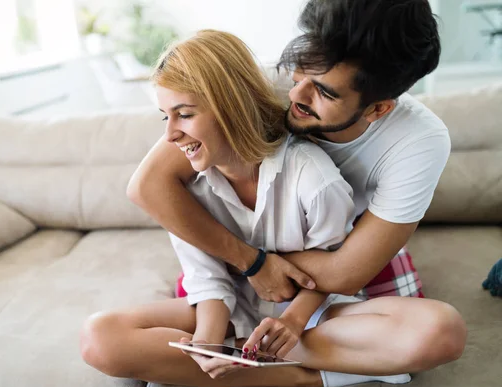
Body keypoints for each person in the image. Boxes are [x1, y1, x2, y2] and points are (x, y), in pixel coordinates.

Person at [80, 29, 462, 387]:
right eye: (167, 116)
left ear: (230, 107)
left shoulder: (314, 178)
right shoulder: (187, 186)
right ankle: (303, 372)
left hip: (311, 315)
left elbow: (336, 270)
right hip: (236, 304)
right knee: (99, 339)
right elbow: (207, 276)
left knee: (440, 331)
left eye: (185, 114)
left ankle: (277, 362)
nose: (169, 136)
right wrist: (207, 340)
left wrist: (292, 322)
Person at [129, 0, 463, 309]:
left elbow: (347, 273)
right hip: (247, 248)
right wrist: (250, 261)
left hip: (338, 247)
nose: (295, 94)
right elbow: (148, 187)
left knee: (430, 334)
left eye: (323, 92)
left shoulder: (419, 140)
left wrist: (249, 260)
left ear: (377, 109)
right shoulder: (261, 85)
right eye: (300, 72)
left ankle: (290, 372)